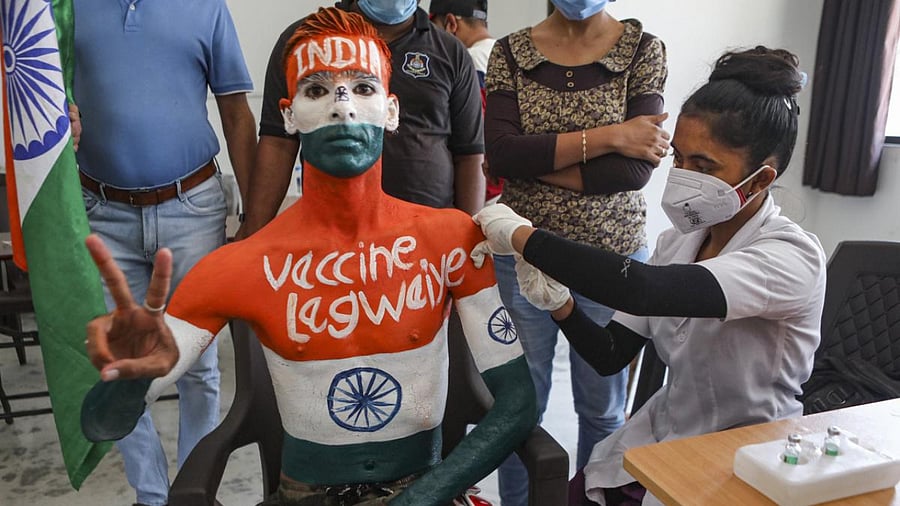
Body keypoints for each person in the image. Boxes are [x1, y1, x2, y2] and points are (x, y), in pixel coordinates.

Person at [82, 8, 536, 506]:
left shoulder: (451, 239)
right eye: (317, 90)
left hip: (425, 489)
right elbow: (102, 422)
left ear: (391, 109)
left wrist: (427, 495)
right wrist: (130, 379)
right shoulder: (241, 264)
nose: (342, 108)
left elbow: (517, 402)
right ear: (289, 113)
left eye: (363, 89)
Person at [473, 46, 825, 506]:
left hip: (746, 454)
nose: (682, 174)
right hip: (664, 438)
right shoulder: (679, 242)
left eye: (704, 166)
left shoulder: (790, 256)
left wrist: (523, 235)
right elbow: (610, 353)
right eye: (679, 157)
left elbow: (642, 289)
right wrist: (560, 304)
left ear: (759, 180)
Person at [482, 0, 669, 503]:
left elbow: (632, 172)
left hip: (614, 262)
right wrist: (612, 136)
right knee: (520, 411)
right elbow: (499, 154)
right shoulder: (510, 51)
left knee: (603, 409)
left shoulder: (642, 50)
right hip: (523, 258)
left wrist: (535, 156)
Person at [71, 0, 256, 504]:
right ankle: (152, 497)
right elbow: (44, 90)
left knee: (198, 365)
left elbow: (236, 114)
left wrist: (258, 220)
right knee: (122, 364)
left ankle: (193, 493)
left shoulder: (206, 8)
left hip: (192, 207)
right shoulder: (68, 8)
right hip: (103, 210)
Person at [237, 0, 486, 240]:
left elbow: (470, 154)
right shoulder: (304, 42)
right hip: (331, 234)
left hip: (430, 234)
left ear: (392, 110)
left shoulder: (450, 51)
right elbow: (278, 143)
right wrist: (253, 232)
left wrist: (468, 236)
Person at [428, 0, 502, 205]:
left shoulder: (468, 61)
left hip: (481, 193)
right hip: (512, 190)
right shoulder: (508, 55)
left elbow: (472, 135)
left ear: (451, 23)